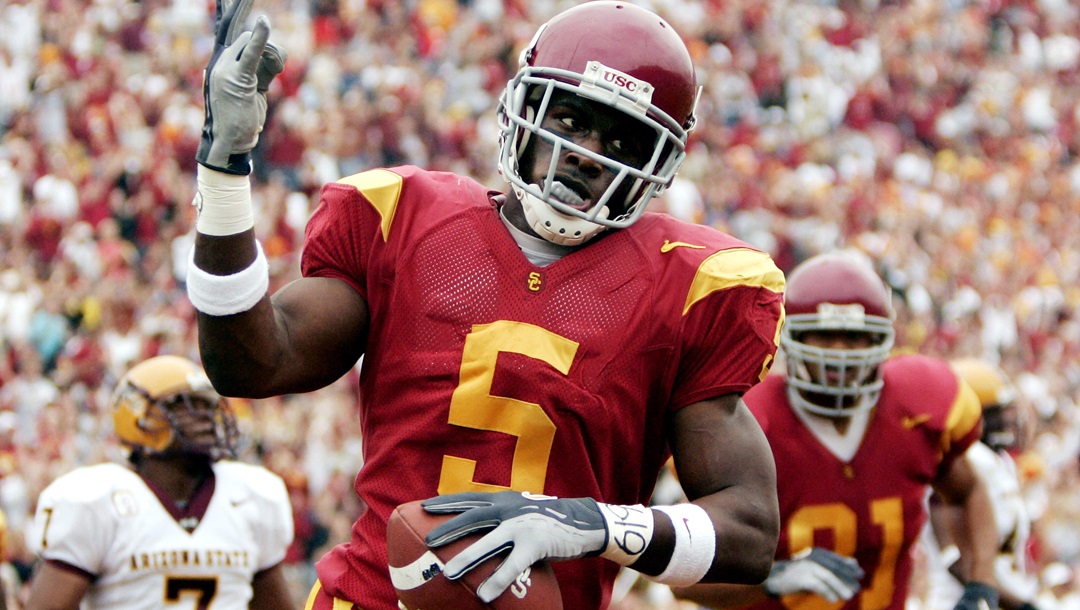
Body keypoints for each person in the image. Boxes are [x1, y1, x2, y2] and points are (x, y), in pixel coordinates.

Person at [185, 1, 787, 608]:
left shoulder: (687, 288)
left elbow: (750, 530)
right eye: (573, 119)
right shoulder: (405, 219)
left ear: (656, 165)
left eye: (621, 139)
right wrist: (224, 169)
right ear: (523, 109)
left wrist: (593, 524)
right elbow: (252, 363)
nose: (585, 151)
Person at [672, 251, 1000, 610]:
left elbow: (967, 493)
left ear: (881, 342)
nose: (839, 353)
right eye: (823, 335)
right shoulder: (748, 420)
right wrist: (776, 578)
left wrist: (981, 583)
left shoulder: (919, 405)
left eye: (853, 336)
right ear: (790, 336)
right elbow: (683, 576)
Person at [24, 355, 295, 609]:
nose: (202, 416)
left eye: (206, 405)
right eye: (181, 405)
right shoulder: (96, 499)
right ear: (137, 417)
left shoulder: (250, 493)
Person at [918, 358, 1043, 610]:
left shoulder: (999, 463)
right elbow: (958, 561)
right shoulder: (966, 461)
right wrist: (1024, 606)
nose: (1006, 422)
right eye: (995, 414)